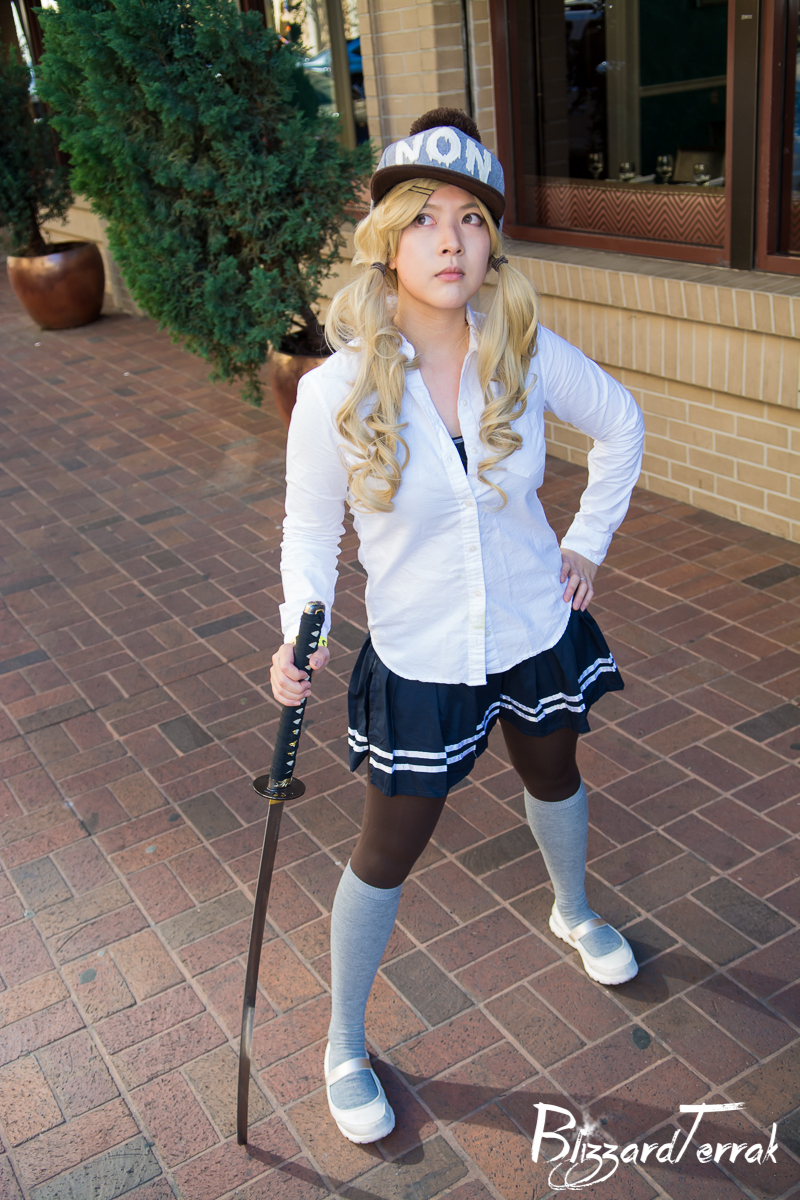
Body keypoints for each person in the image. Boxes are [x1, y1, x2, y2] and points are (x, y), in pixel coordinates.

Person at [271, 108, 645, 1145]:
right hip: (422, 656)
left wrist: (587, 543)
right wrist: (298, 632)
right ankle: (344, 1040)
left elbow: (621, 424)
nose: (450, 240)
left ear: (491, 244)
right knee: (387, 849)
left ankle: (571, 910)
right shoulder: (334, 391)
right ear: (387, 240)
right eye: (425, 219)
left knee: (554, 775)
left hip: (533, 628)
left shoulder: (521, 352)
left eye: (471, 220)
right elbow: (310, 531)